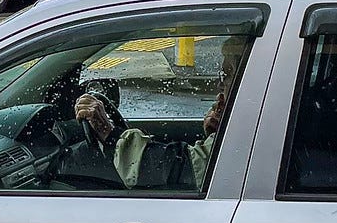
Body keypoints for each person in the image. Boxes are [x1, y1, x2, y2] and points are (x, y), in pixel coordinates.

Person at [71, 40, 246, 191]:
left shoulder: (246, 135)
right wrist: (218, 135)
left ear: (246, 81)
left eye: (228, 74)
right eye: (222, 74)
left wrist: (109, 133)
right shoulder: (248, 130)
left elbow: (181, 169)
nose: (219, 84)